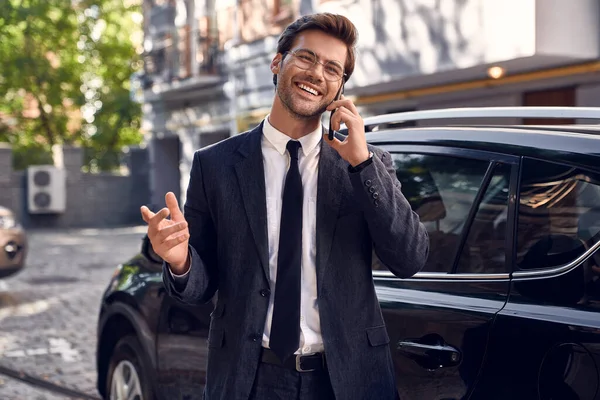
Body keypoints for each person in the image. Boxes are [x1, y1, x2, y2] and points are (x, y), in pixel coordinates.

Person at [141, 13, 429, 400]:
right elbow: (199, 288)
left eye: (332, 68)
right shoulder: (216, 164)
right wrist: (179, 261)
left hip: (347, 380)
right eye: (306, 58)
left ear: (339, 87)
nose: (316, 74)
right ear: (277, 63)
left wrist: (363, 164)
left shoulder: (364, 164)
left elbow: (410, 259)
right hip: (250, 379)